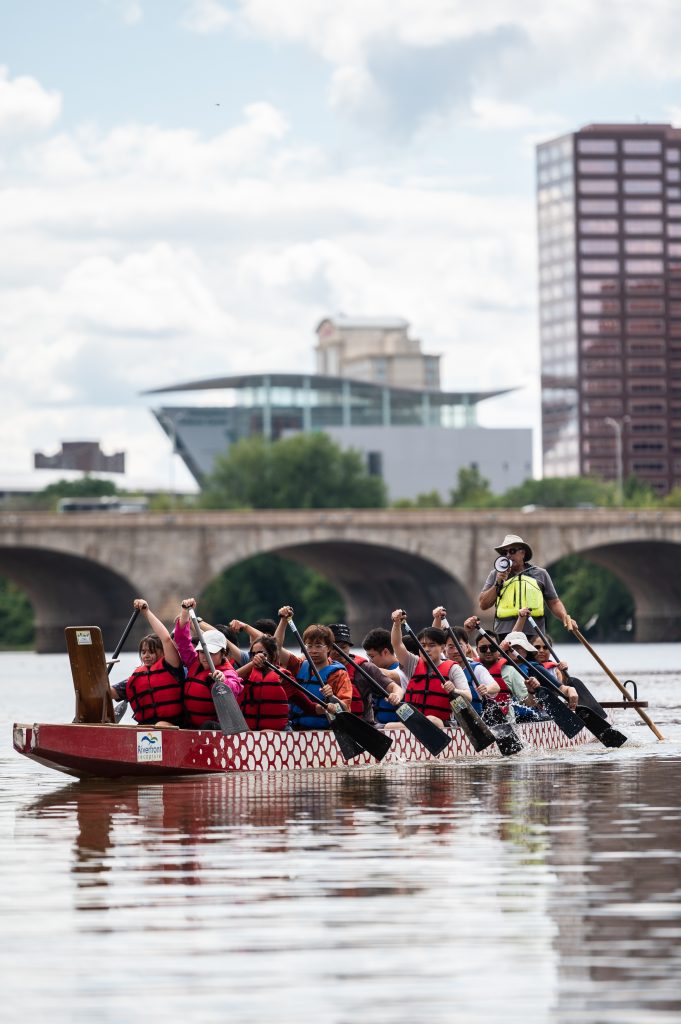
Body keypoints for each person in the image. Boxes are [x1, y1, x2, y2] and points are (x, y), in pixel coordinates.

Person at [478, 534, 574, 639]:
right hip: (504, 634)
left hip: (534, 634)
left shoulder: (540, 574)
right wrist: (498, 583)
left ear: (523, 553)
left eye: (512, 551)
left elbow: (554, 602)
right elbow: (483, 604)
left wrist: (565, 617)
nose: (508, 555)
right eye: (505, 553)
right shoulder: (495, 574)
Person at [390, 610, 471, 730]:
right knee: (389, 726)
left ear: (442, 648)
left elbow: (468, 696)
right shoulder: (413, 663)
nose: (426, 649)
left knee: (432, 720)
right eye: (422, 646)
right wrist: (396, 623)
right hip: (414, 722)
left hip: (443, 724)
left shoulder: (453, 668)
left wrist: (454, 690)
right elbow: (397, 644)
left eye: (431, 645)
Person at [110, 598, 184, 727]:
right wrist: (94, 674)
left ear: (162, 652)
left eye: (151, 652)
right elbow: (109, 693)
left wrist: (146, 612)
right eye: (143, 652)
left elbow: (166, 638)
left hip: (172, 724)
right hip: (146, 728)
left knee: (159, 725)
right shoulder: (136, 677)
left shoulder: (172, 667)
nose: (146, 656)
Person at [276, 607, 352, 730]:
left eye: (318, 646)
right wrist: (284, 621)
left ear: (328, 648)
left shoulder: (339, 674)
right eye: (309, 646)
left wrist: (333, 697)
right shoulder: (299, 665)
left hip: (325, 732)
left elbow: (346, 710)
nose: (313, 651)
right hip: (296, 729)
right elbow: (277, 648)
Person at [174, 598, 244, 728]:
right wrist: (185, 612)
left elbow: (234, 687)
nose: (205, 657)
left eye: (211, 653)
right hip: (190, 727)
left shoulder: (228, 672)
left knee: (207, 725)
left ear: (223, 654)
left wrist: (223, 681)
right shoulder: (194, 662)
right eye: (202, 652)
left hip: (215, 729)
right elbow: (181, 640)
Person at [236, 634, 318, 730]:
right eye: (253, 654)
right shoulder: (246, 674)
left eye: (261, 654)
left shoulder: (284, 678)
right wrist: (252, 664)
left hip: (279, 734)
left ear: (272, 655)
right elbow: (228, 681)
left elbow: (309, 707)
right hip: (251, 734)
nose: (257, 657)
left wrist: (330, 708)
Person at [501, 631, 579, 711]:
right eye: (513, 647)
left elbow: (562, 689)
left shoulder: (535, 668)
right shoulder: (500, 667)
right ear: (507, 650)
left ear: (526, 651)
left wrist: (571, 690)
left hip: (530, 716)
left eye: (521, 647)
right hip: (506, 714)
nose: (517, 650)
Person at [362, 627, 407, 725]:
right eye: (368, 657)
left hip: (398, 730)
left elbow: (390, 675)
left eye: (372, 656)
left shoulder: (405, 670)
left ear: (385, 652)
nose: (370, 661)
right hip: (377, 728)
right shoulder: (373, 672)